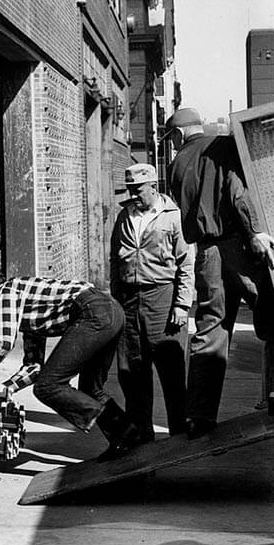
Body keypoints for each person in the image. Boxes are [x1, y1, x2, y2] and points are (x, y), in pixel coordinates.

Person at [166, 107, 274, 440]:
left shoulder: (176, 165)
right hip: (239, 249)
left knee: (211, 328)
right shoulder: (223, 146)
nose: (171, 144)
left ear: (180, 133)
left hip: (206, 254)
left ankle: (199, 416)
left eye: (171, 137)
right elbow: (237, 192)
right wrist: (255, 232)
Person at [0, 267, 140, 461]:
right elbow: (34, 367)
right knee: (90, 390)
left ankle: (124, 429)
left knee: (48, 387)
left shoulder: (8, 291)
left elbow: (2, 343)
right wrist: (4, 389)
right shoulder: (28, 306)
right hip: (111, 311)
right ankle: (125, 439)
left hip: (94, 312)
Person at [110, 163, 194, 443]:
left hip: (162, 297)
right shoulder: (124, 216)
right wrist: (116, 295)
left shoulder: (172, 217)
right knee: (132, 371)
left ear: (153, 187)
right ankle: (141, 436)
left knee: (171, 371)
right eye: (130, 190)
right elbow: (114, 259)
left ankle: (179, 436)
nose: (134, 195)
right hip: (129, 300)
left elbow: (186, 263)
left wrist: (182, 306)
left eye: (139, 190)